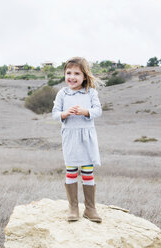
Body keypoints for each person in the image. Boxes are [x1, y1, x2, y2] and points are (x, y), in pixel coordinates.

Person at [52, 57, 103, 223]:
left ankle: (90, 208)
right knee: (71, 170)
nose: (71, 77)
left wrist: (85, 111)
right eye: (68, 73)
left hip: (86, 137)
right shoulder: (62, 93)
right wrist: (65, 114)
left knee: (88, 171)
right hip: (70, 137)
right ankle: (73, 207)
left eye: (76, 73)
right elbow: (54, 113)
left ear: (85, 76)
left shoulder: (91, 93)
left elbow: (98, 111)